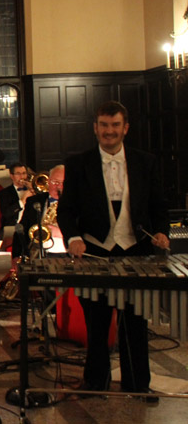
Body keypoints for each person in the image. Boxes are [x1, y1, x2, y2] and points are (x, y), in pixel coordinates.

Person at [58, 101, 169, 399]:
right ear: (95, 128)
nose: (109, 131)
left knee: (135, 323)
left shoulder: (145, 161)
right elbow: (66, 211)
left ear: (125, 128)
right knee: (97, 325)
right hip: (95, 252)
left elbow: (159, 205)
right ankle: (96, 383)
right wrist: (73, 239)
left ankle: (137, 384)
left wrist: (161, 232)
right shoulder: (78, 163)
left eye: (115, 125)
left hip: (136, 251)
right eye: (104, 125)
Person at [17, 165, 66, 258]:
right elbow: (22, 228)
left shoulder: (79, 203)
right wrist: (16, 255)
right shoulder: (34, 201)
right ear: (48, 182)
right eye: (55, 182)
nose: (59, 186)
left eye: (62, 182)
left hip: (68, 256)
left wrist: (61, 233)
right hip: (39, 255)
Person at [0, 163, 32, 228]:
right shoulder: (4, 193)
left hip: (31, 226)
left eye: (24, 173)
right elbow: (6, 213)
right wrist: (22, 201)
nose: (22, 177)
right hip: (13, 227)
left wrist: (33, 190)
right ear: (12, 176)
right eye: (18, 174)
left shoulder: (32, 190)